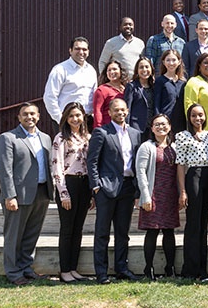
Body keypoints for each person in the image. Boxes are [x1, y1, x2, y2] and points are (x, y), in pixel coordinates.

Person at [0, 103, 53, 285]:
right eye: (25, 114)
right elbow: (4, 169)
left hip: (42, 192)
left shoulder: (45, 138)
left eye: (33, 114)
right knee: (14, 236)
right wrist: (9, 195)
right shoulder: (8, 138)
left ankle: (26, 268)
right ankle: (13, 272)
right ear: (19, 118)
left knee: (31, 233)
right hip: (18, 195)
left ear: (38, 116)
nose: (30, 117)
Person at [87, 98, 142, 284]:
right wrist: (96, 186)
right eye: (116, 110)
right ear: (109, 113)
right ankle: (101, 272)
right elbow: (92, 161)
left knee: (122, 232)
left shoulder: (135, 134)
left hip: (127, 187)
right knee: (102, 232)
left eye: (123, 110)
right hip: (106, 188)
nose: (120, 113)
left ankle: (121, 269)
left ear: (127, 111)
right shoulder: (101, 132)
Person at [50, 103, 92, 283]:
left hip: (84, 184)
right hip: (69, 183)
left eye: (78, 115)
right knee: (67, 229)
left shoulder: (87, 137)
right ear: (66, 119)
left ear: (83, 116)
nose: (75, 119)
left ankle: (73, 268)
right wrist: (63, 193)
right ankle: (64, 269)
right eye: (71, 116)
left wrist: (91, 192)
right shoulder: (60, 138)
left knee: (78, 229)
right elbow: (57, 166)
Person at [135, 114, 180, 280]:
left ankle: (170, 268)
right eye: (157, 125)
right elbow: (140, 172)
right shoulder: (146, 147)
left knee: (169, 232)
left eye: (164, 124)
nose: (161, 127)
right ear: (152, 128)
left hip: (170, 195)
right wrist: (144, 196)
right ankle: (149, 268)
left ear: (169, 126)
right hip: (153, 194)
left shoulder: (175, 147)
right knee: (152, 232)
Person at [173, 104, 208, 282]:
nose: (197, 119)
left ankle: (202, 269)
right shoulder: (182, 136)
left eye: (200, 115)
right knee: (193, 223)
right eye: (194, 116)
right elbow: (181, 164)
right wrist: (182, 191)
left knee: (203, 224)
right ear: (188, 118)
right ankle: (190, 269)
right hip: (193, 177)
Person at [154, 50, 187, 132]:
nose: (171, 63)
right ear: (163, 62)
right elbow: (156, 104)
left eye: (174, 60)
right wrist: (159, 120)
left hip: (181, 122)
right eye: (168, 60)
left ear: (179, 62)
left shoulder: (183, 82)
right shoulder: (160, 81)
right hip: (165, 122)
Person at [123, 57, 155, 139]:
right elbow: (127, 108)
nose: (144, 69)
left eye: (147, 67)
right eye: (141, 67)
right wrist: (126, 125)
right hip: (136, 127)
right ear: (137, 70)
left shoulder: (154, 86)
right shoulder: (132, 86)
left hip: (152, 128)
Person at [92, 60, 126, 128]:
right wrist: (99, 129)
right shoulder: (102, 90)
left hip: (123, 128)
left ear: (120, 71)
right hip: (108, 129)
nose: (112, 72)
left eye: (114, 69)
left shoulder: (127, 88)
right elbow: (98, 111)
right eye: (109, 70)